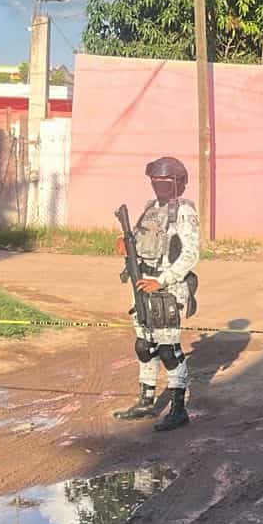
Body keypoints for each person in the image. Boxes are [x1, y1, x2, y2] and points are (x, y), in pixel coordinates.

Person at [112, 156, 201, 432]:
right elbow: (143, 242)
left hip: (168, 289)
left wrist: (162, 281)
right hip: (143, 283)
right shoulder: (150, 209)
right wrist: (127, 245)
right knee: (144, 345)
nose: (158, 185)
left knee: (168, 350)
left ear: (178, 182)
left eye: (164, 180)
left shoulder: (183, 212)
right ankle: (145, 401)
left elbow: (190, 254)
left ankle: (178, 409)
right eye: (155, 180)